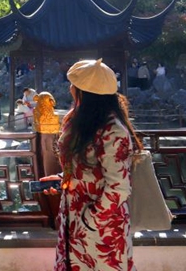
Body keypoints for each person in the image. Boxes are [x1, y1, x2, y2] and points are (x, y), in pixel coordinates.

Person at [54, 58, 143, 271]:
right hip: (72, 216)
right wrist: (62, 180)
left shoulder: (113, 131)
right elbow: (81, 167)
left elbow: (118, 187)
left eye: (74, 86)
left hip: (102, 228)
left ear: (84, 92)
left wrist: (90, 221)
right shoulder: (75, 119)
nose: (70, 89)